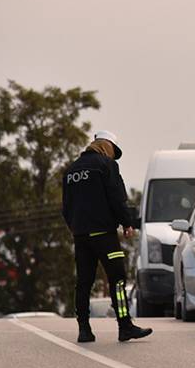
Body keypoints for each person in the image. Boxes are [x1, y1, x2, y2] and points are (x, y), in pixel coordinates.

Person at [61, 130, 153, 343]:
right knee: (118, 280)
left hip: (81, 236)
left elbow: (65, 207)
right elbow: (116, 197)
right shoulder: (107, 165)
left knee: (83, 283)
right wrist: (127, 222)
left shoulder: (71, 170)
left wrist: (75, 227)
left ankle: (84, 329)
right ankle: (125, 325)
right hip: (104, 235)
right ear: (108, 146)